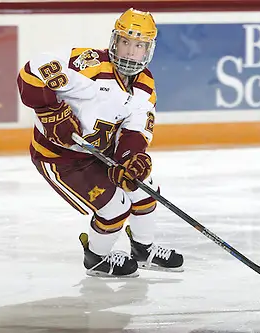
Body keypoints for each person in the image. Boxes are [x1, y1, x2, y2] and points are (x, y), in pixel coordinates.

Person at [16, 8, 183, 277]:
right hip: (60, 159)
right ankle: (96, 258)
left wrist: (132, 158)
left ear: (148, 50)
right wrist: (51, 112)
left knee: (145, 189)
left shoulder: (145, 84)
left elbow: (135, 129)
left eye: (139, 46)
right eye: (125, 42)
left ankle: (143, 250)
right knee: (116, 207)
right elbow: (33, 71)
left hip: (100, 153)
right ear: (114, 41)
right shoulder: (88, 65)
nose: (130, 52)